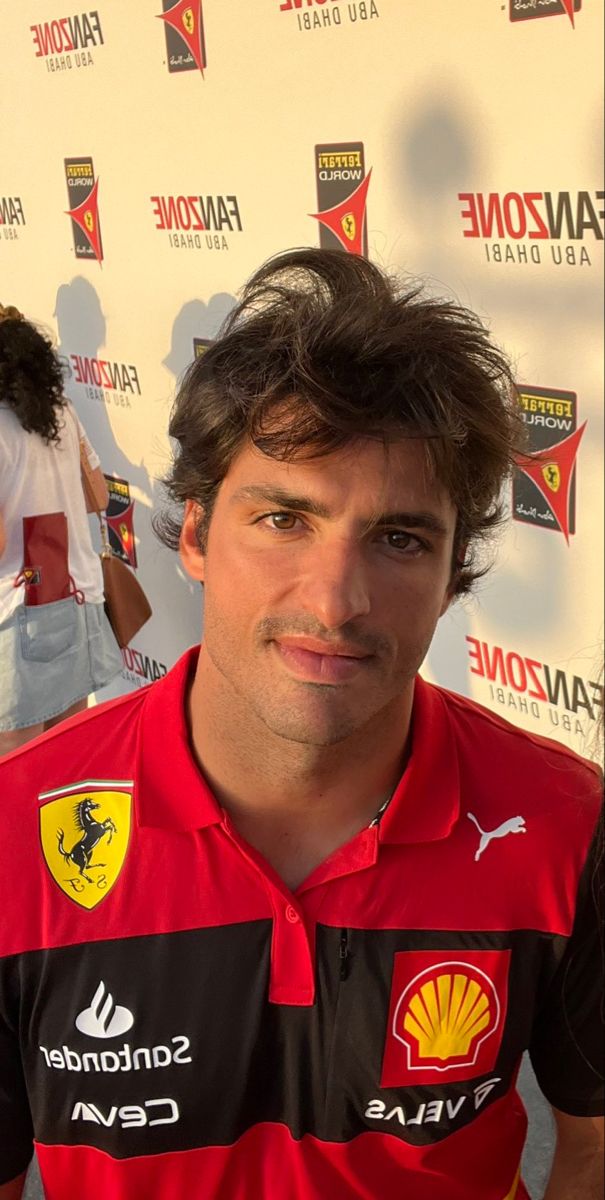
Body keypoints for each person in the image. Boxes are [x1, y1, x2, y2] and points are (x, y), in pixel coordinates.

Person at [0, 251, 602, 1200]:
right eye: (284, 519)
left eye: (399, 538)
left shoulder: (567, 823)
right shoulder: (11, 833)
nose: (336, 600)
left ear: (452, 577)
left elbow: (595, 1147)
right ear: (194, 536)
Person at [0, 304, 122, 755]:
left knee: (18, 764)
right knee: (73, 752)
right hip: (76, 595)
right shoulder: (62, 412)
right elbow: (100, 498)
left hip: (17, 613)